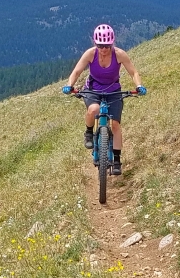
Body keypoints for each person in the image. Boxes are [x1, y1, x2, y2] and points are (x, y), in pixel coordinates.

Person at [62, 24, 146, 175]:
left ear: (112, 43)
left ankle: (117, 160)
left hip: (113, 91)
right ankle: (88, 133)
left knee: (115, 125)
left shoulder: (120, 54)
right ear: (96, 44)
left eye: (107, 45)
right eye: (100, 45)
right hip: (93, 90)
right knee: (93, 109)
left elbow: (133, 72)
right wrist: (70, 85)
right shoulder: (90, 54)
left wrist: (139, 85)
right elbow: (76, 71)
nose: (104, 49)